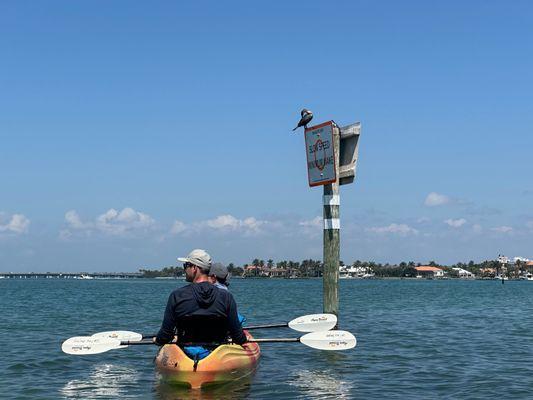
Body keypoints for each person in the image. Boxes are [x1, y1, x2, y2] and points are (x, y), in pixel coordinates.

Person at [154, 249, 247, 359]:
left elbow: (165, 336)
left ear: (194, 268)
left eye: (186, 265)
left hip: (186, 355)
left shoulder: (177, 296)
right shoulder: (226, 297)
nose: (184, 270)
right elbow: (238, 338)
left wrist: (157, 340)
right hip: (217, 356)